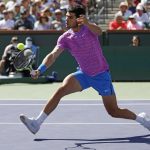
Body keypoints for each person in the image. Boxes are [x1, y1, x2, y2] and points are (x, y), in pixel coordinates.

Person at [20, 5, 150, 134]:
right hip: (84, 74)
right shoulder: (65, 38)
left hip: (101, 75)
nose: (66, 20)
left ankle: (142, 120)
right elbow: (53, 55)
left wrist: (87, 23)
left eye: (70, 17)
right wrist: (40, 70)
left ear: (79, 19)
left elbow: (99, 31)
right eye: (66, 17)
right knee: (61, 90)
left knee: (113, 111)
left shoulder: (89, 29)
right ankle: (37, 123)